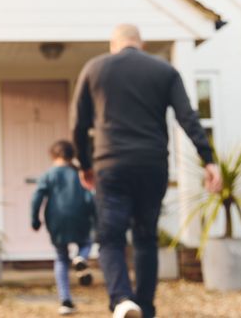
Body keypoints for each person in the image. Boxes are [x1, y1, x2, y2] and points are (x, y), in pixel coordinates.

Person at [71, 24, 222, 318]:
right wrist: (208, 158)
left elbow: (78, 123)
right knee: (145, 237)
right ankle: (146, 308)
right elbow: (187, 117)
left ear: (113, 44)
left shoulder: (95, 68)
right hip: (152, 165)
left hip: (110, 165)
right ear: (141, 43)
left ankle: (122, 300)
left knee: (111, 237)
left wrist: (84, 163)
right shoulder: (164, 71)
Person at [31, 140, 97, 316]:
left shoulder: (49, 175)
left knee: (61, 257)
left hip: (56, 220)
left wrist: (35, 219)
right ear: (71, 156)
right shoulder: (79, 174)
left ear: (53, 155)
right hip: (80, 217)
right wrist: (96, 219)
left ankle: (65, 301)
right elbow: (91, 197)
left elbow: (37, 198)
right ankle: (80, 258)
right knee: (87, 242)